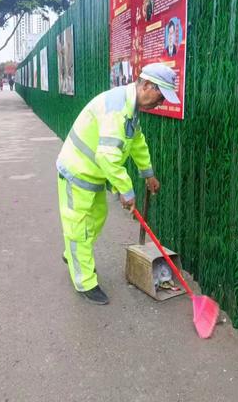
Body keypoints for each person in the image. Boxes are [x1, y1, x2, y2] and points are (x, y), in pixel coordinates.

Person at [56, 62, 180, 305]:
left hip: (93, 174)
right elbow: (107, 156)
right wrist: (127, 191)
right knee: (78, 226)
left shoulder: (131, 108)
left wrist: (148, 174)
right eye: (160, 95)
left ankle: (73, 254)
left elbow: (136, 142)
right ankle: (85, 282)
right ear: (146, 85)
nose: (161, 102)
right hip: (77, 172)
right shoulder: (117, 109)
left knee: (97, 218)